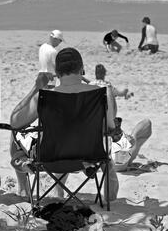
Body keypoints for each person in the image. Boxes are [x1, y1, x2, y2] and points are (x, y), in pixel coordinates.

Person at [9, 47, 119, 201]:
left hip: (50, 157)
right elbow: (110, 128)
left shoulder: (44, 96)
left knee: (15, 138)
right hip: (91, 156)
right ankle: (108, 198)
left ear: (57, 73)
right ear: (82, 70)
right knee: (92, 140)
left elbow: (14, 122)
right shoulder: (101, 94)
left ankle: (24, 190)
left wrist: (36, 88)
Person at [90, 64, 152, 172]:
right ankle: (133, 148)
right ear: (104, 73)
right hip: (114, 163)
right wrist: (126, 91)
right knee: (146, 125)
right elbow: (121, 92)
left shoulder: (89, 87)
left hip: (88, 160)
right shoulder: (108, 87)